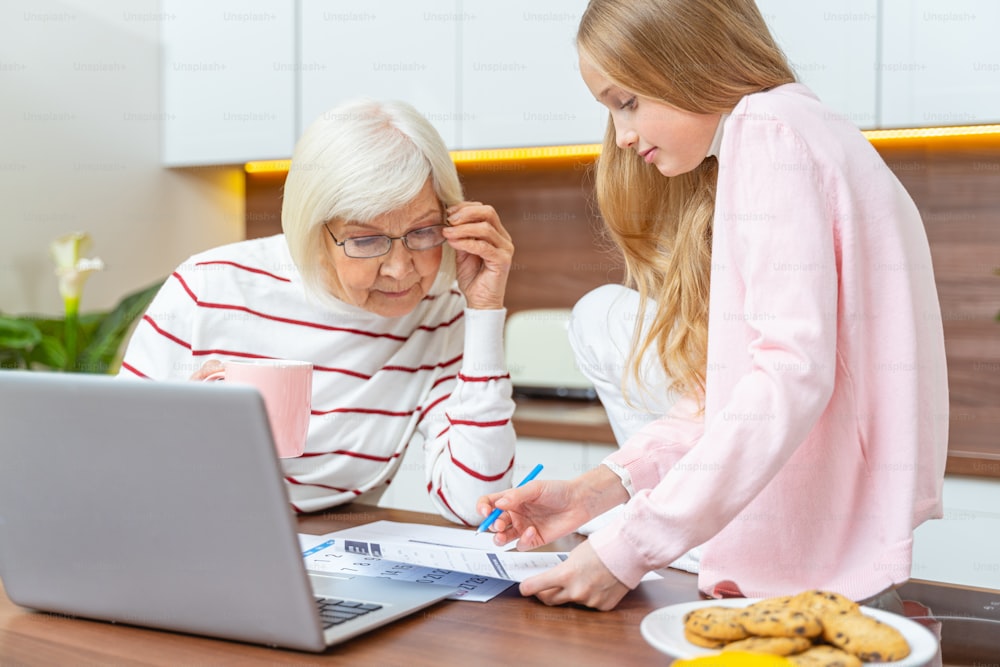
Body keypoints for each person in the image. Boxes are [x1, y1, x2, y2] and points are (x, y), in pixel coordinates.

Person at [478, 0, 948, 610]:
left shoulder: (766, 127)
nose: (621, 137)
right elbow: (731, 400)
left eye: (627, 102)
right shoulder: (802, 128)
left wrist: (629, 549)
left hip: (810, 582)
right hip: (835, 578)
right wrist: (596, 493)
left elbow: (788, 375)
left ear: (686, 60)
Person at [120, 97, 517, 525]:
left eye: (423, 231)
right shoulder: (208, 287)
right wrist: (179, 434)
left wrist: (483, 313)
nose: (402, 270)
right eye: (365, 240)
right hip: (190, 530)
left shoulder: (440, 317)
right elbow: (115, 460)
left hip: (330, 554)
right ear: (313, 230)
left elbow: (479, 504)